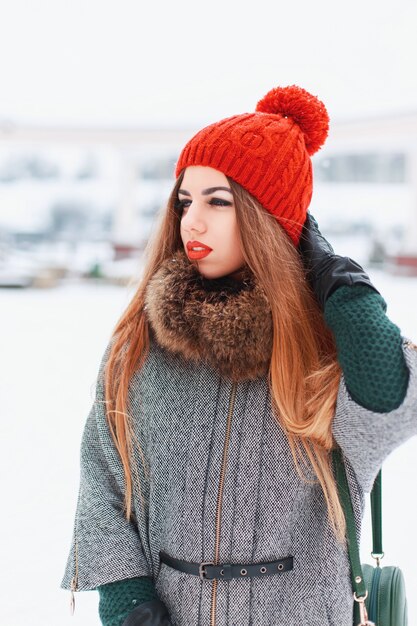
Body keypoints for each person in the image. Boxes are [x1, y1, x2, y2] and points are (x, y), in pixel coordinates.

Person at [60, 84, 417, 626]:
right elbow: (104, 474)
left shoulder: (325, 350)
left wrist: (341, 283)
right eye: (185, 201)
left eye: (218, 202)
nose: (192, 222)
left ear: (265, 218)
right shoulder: (141, 342)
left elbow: (390, 400)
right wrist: (125, 598)